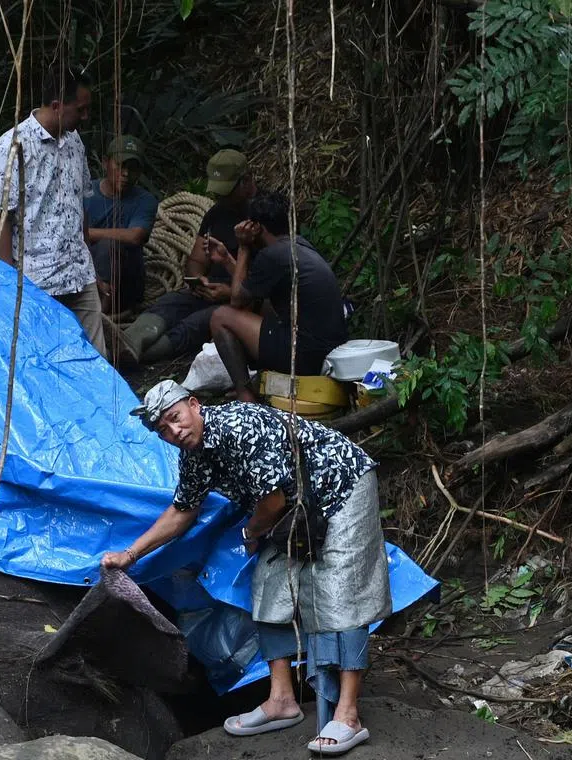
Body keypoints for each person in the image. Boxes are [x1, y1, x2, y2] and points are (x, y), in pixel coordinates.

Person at [104, 380, 390, 755]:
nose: (174, 431)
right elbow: (183, 510)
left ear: (194, 404)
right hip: (292, 506)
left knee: (341, 592)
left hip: (339, 486)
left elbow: (271, 501)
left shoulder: (238, 427)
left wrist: (252, 532)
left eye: (175, 418)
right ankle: (282, 699)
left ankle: (348, 714)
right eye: (164, 430)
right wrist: (131, 554)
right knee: (269, 587)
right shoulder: (194, 454)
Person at [0, 65, 107, 358]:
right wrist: (8, 283)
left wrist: (90, 263)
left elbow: (80, 205)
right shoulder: (12, 146)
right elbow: (1, 218)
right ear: (56, 106)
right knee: (48, 360)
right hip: (36, 281)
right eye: (80, 110)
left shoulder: (74, 141)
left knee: (99, 360)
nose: (85, 117)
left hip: (79, 272)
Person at [115, 149, 257, 366]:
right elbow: (195, 262)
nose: (221, 198)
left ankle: (129, 356)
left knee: (195, 325)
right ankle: (126, 345)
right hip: (209, 291)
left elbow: (266, 287)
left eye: (227, 191)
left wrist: (230, 292)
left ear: (246, 182)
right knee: (168, 304)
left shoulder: (261, 216)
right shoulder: (216, 214)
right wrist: (199, 279)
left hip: (241, 299)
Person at [207, 190, 347, 402]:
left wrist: (243, 246)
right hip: (327, 351)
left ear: (255, 228)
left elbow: (236, 299)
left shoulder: (272, 255)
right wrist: (227, 259)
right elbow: (249, 292)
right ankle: (256, 383)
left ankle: (245, 395)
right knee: (257, 307)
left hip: (305, 355)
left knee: (220, 317)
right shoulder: (296, 245)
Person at [84, 135, 158, 315]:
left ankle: (102, 318)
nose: (125, 174)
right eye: (120, 166)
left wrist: (86, 233)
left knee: (109, 247)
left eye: (132, 168)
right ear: (105, 163)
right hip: (85, 276)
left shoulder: (145, 200)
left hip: (126, 283)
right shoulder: (85, 193)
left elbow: (135, 236)